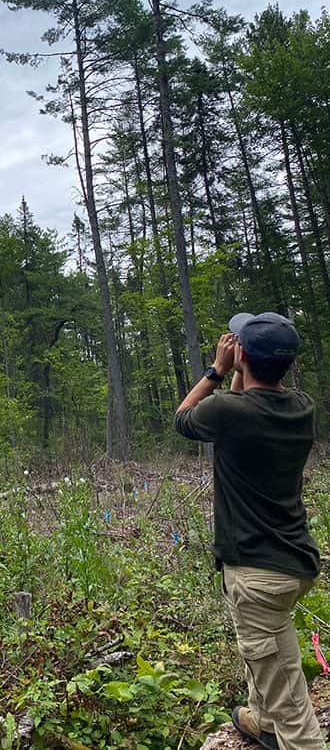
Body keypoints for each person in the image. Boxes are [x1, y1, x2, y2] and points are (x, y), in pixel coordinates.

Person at [174, 312, 325, 750]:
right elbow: (240, 409)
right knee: (266, 650)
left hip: (258, 573)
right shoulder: (301, 407)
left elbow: (185, 419)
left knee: (291, 697)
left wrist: (216, 371)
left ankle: (292, 736)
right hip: (292, 561)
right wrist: (242, 368)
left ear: (241, 354)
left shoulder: (227, 408)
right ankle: (262, 721)